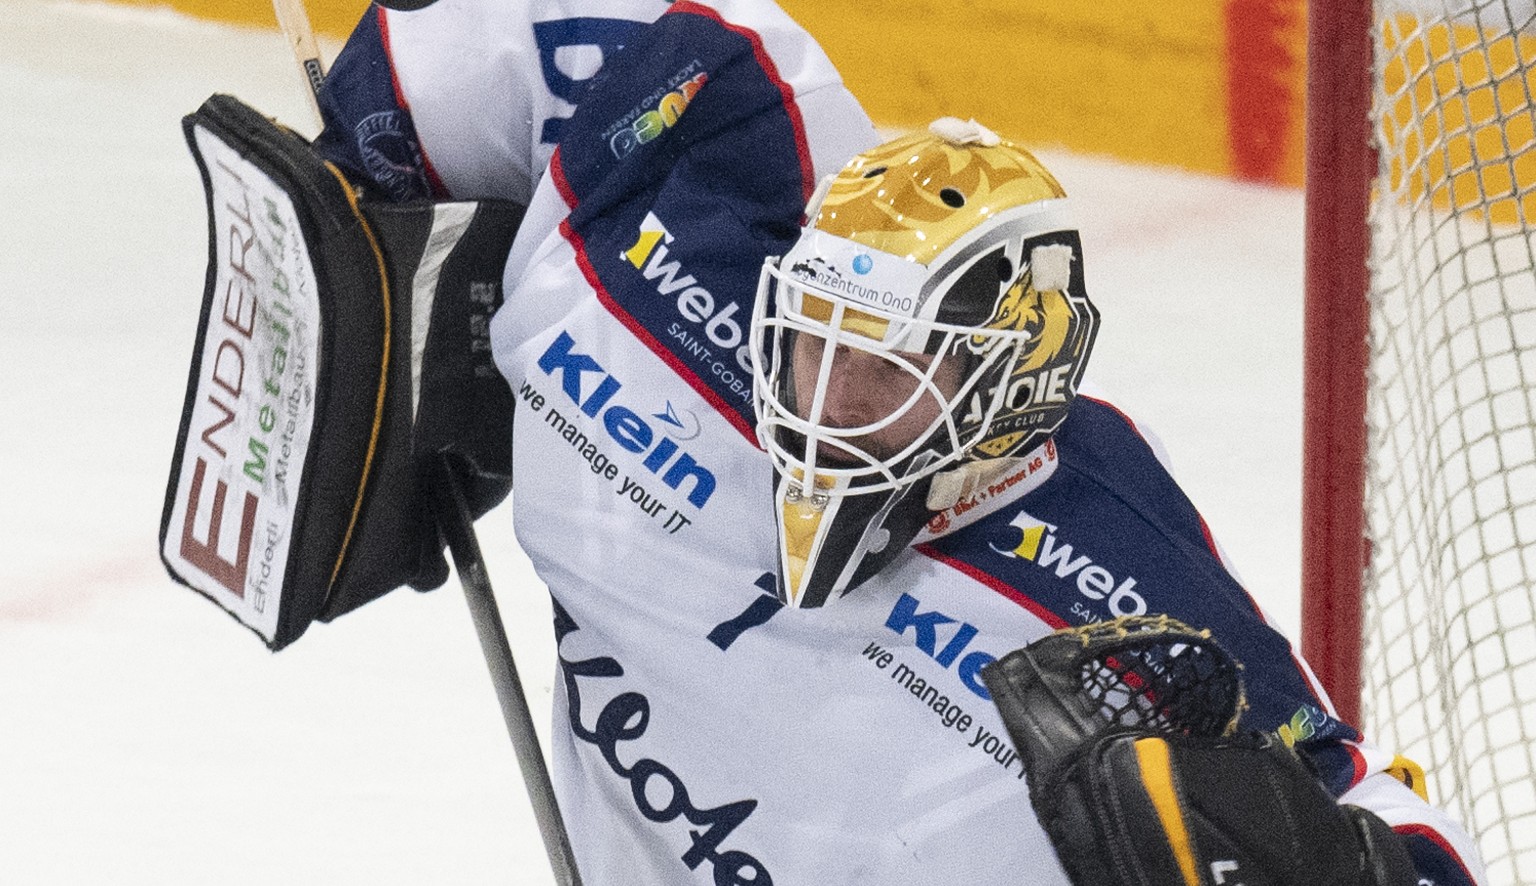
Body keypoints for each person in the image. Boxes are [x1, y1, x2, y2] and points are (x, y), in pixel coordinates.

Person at [311, 0, 1488, 882]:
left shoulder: (1110, 573)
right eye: (812, 340)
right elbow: (545, 26)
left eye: (880, 370)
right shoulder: (657, 273)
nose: (821, 402)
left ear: (1002, 395)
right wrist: (378, 141)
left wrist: (1318, 860)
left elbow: (1394, 827)